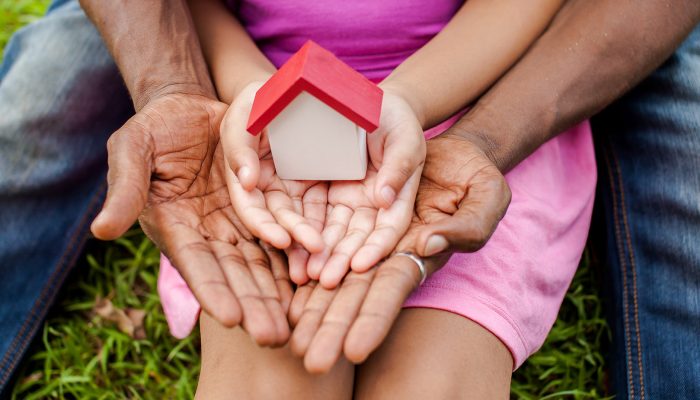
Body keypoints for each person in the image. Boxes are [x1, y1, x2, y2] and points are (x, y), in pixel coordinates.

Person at [0, 0, 695, 398]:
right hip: (260, 99)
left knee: (436, 380)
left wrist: (408, 106)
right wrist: (256, 101)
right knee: (271, 370)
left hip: (470, 88)